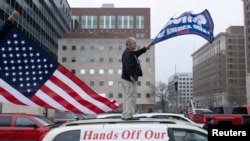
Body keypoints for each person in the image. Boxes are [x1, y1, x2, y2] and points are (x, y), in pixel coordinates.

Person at [121, 37, 151, 120]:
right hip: (129, 79)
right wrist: (132, 76)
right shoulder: (127, 53)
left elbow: (137, 53)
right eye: (134, 43)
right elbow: (128, 66)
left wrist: (145, 48)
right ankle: (128, 115)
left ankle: (125, 114)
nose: (135, 44)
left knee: (127, 97)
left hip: (127, 79)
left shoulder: (130, 53)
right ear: (129, 44)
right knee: (131, 97)